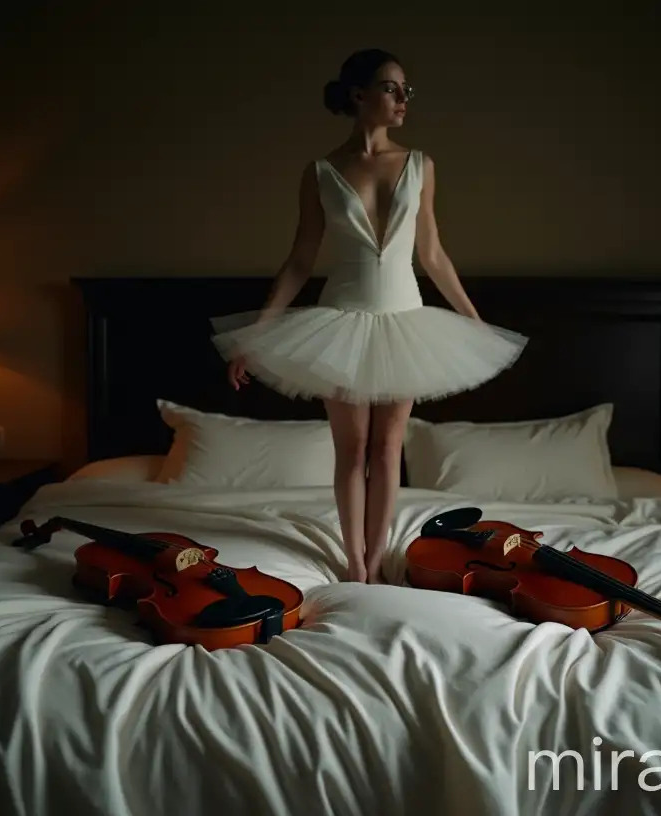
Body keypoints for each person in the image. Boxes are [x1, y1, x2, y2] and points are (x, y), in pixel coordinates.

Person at [209, 48, 527, 584]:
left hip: (406, 320)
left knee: (387, 446)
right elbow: (299, 259)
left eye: (406, 90)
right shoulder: (320, 172)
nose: (403, 99)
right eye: (391, 87)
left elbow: (432, 253)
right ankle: (353, 562)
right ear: (358, 94)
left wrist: (472, 318)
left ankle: (377, 559)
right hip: (341, 321)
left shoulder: (421, 165)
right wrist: (258, 333)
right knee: (351, 447)